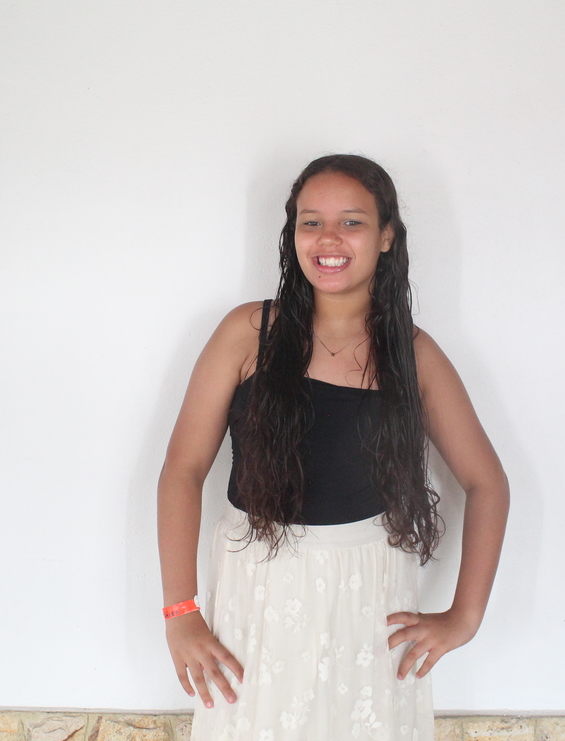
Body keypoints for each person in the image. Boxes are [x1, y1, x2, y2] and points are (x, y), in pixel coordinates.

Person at [157, 154, 509, 740]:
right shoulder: (248, 333)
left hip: (369, 593)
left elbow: (487, 482)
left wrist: (464, 617)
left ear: (386, 235)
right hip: (256, 587)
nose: (328, 239)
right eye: (311, 222)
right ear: (292, 232)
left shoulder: (413, 355)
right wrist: (180, 614)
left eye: (352, 222)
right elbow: (182, 469)